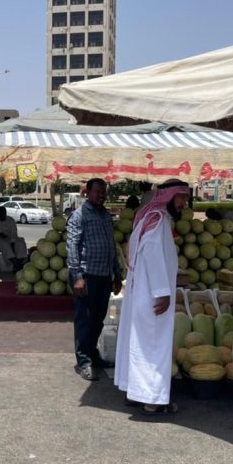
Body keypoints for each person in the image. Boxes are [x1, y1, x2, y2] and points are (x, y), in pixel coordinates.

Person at [115, 179, 190, 416]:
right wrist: (163, 293)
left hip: (142, 293)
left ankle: (135, 391)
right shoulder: (157, 221)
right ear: (167, 196)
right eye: (180, 197)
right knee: (154, 346)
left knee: (140, 344)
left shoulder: (151, 217)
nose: (183, 203)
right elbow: (154, 258)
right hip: (152, 295)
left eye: (185, 198)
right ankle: (152, 400)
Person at [67, 178, 123, 381]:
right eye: (98, 192)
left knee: (98, 319)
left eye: (104, 192)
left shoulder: (106, 215)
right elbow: (72, 246)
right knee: (85, 320)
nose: (101, 195)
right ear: (87, 193)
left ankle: (92, 353)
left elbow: (111, 246)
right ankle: (84, 361)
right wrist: (77, 276)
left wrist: (117, 273)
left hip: (104, 275)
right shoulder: (79, 215)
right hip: (86, 275)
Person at [0, 206, 28, 271]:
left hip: (11, 238)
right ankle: (14, 262)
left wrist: (12, 242)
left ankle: (21, 260)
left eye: (2, 214)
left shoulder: (11, 220)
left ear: (5, 213)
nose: (1, 216)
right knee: (4, 244)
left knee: (20, 241)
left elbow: (14, 233)